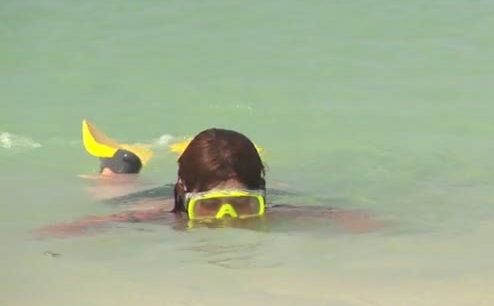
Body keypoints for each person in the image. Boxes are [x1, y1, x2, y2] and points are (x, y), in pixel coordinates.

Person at [35, 128, 383, 238]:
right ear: (186, 197)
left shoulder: (272, 207)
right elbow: (88, 226)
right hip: (154, 195)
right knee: (116, 182)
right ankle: (121, 162)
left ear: (261, 198)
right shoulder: (161, 216)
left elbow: (338, 215)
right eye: (210, 207)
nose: (227, 218)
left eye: (244, 205)